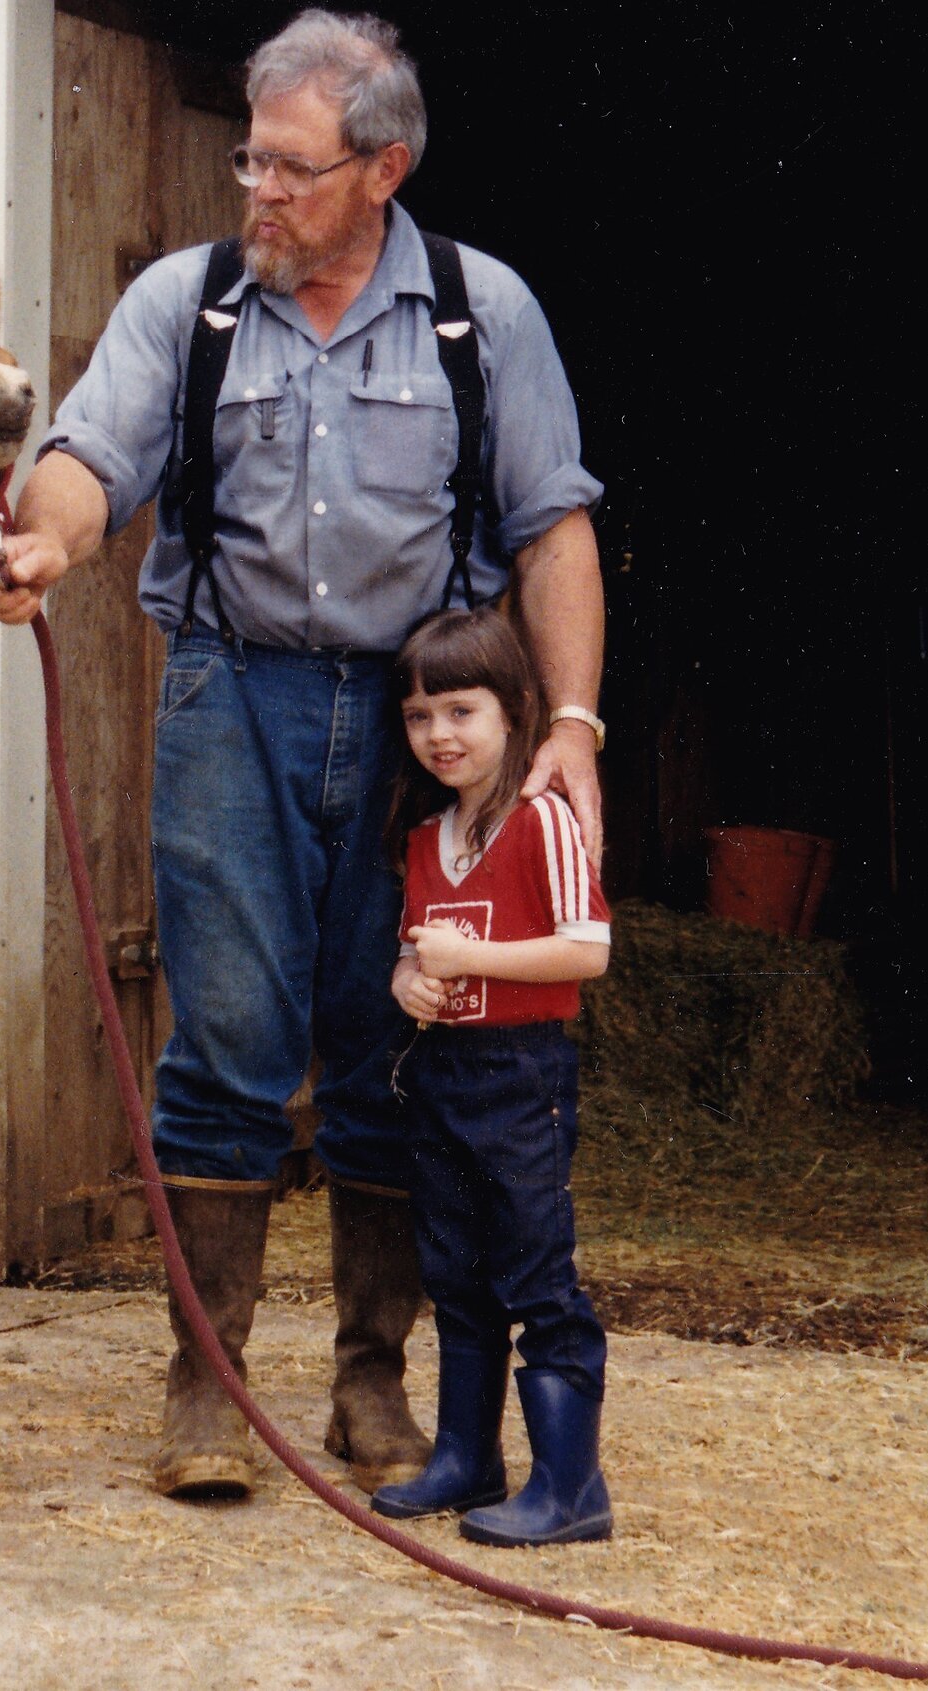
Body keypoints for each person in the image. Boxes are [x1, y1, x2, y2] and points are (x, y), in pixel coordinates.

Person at [0, 8, 608, 1501]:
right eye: (248, 160)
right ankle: (207, 1383)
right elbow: (89, 458)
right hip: (229, 692)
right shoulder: (185, 303)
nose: (257, 189)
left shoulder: (481, 313)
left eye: (290, 168)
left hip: (417, 720)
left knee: (394, 1036)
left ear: (382, 171)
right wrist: (45, 545)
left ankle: (372, 1379)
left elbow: (551, 526)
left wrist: (572, 724)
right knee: (227, 1041)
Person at [369, 608, 613, 1545]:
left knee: (535, 1273)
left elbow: (587, 949)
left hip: (521, 1072)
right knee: (456, 1272)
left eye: (461, 711)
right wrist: (411, 982)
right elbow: (412, 955)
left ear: (515, 711)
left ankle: (572, 1487)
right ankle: (467, 1457)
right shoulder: (426, 837)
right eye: (419, 715)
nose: (440, 734)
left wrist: (470, 957)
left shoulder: (541, 821)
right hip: (442, 1074)